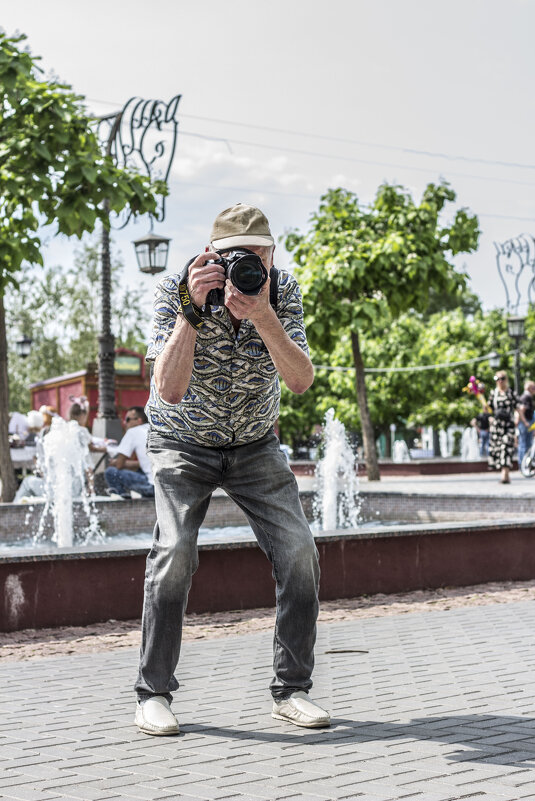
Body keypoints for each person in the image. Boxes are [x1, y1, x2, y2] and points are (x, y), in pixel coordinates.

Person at [134, 203, 329, 736]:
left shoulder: (282, 290)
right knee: (173, 553)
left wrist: (262, 314)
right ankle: (153, 694)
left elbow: (300, 380)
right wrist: (191, 313)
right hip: (183, 441)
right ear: (212, 255)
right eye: (237, 255)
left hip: (255, 445)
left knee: (300, 555)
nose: (250, 264)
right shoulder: (178, 288)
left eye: (260, 253)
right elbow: (169, 391)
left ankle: (291, 691)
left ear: (273, 253)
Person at [104, 407, 154, 499]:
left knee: (110, 472)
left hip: (151, 487)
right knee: (141, 470)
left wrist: (114, 462)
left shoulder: (132, 432)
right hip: (161, 486)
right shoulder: (153, 429)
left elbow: (119, 465)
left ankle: (121, 495)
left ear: (139, 420)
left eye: (128, 419)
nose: (125, 423)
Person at [488, 371, 518, 484]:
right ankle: (505, 474)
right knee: (499, 449)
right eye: (497, 378)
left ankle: (504, 475)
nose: (500, 380)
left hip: (508, 425)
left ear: (506, 379)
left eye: (502, 378)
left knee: (506, 447)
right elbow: (489, 409)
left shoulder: (511, 393)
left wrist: (520, 420)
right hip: (497, 426)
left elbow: (518, 407)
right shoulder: (493, 393)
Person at [517, 379, 535, 467]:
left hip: (526, 422)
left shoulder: (526, 396)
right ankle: (523, 465)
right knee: (524, 444)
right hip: (525, 422)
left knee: (526, 443)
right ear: (528, 388)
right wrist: (525, 422)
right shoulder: (526, 396)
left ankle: (524, 464)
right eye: (533, 387)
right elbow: (521, 409)